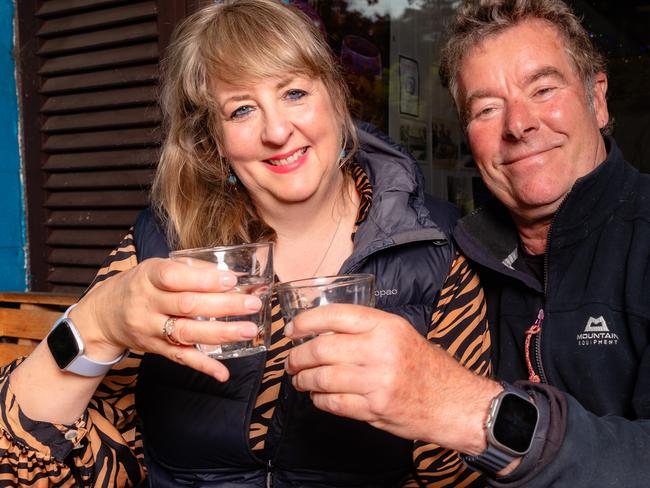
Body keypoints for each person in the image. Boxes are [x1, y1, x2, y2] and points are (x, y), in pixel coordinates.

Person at [0, 1, 491, 486]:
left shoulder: (436, 249)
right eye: (241, 109)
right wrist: (98, 323)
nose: (277, 131)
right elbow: (28, 467)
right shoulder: (161, 245)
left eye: (295, 92)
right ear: (213, 139)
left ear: (338, 99)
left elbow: (456, 474)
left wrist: (425, 393)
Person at [285, 0, 650, 486]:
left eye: (542, 89)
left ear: (597, 98)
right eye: (487, 108)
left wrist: (472, 411)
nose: (518, 124)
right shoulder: (455, 256)